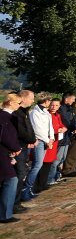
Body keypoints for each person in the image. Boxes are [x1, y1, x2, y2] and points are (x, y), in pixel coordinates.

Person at [26, 93, 54, 198]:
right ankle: (27, 187)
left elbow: (49, 126)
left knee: (39, 164)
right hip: (40, 140)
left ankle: (30, 187)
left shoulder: (46, 112)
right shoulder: (35, 112)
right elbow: (38, 129)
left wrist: (51, 138)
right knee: (37, 165)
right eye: (49, 100)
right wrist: (47, 140)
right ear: (46, 101)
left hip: (46, 140)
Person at [1, 93, 23, 224]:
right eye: (18, 103)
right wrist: (16, 148)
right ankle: (5, 215)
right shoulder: (4, 117)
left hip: (6, 152)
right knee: (11, 180)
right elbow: (6, 137)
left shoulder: (8, 116)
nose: (19, 106)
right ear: (10, 103)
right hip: (2, 153)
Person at [12, 90, 36, 205]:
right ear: (24, 98)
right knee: (19, 174)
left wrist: (32, 139)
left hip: (24, 146)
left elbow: (29, 128)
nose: (33, 100)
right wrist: (31, 139)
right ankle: (13, 202)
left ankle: (16, 201)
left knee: (21, 173)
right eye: (31, 98)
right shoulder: (17, 113)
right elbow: (22, 131)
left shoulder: (24, 112)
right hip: (18, 148)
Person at [45, 99, 68, 185]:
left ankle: (51, 178)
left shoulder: (57, 115)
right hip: (49, 140)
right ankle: (48, 180)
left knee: (55, 160)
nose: (54, 107)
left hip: (56, 140)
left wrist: (64, 128)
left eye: (56, 105)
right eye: (52, 105)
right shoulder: (47, 115)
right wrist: (57, 130)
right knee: (48, 161)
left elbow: (61, 124)